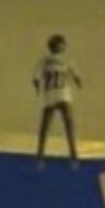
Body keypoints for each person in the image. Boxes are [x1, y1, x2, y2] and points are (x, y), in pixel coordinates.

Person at [32, 34, 82, 169]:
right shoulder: (56, 60)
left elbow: (36, 78)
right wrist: (78, 82)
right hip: (59, 94)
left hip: (54, 95)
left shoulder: (46, 60)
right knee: (65, 126)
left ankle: (41, 158)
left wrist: (37, 87)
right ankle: (71, 158)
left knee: (51, 127)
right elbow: (76, 75)